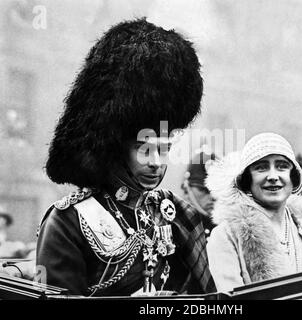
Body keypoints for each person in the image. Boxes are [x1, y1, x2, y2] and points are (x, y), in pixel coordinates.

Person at [33, 19, 216, 296]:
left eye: (164, 149)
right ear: (116, 147)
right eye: (144, 148)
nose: (156, 161)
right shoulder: (67, 221)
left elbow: (206, 294)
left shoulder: (174, 213)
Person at [206, 132, 302, 292]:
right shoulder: (225, 236)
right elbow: (232, 303)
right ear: (247, 180)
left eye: (282, 166)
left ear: (293, 177)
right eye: (261, 168)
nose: (273, 176)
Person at [181, 148, 217, 238]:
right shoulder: (177, 227)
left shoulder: (229, 228)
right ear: (186, 189)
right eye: (204, 190)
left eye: (217, 190)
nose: (213, 197)